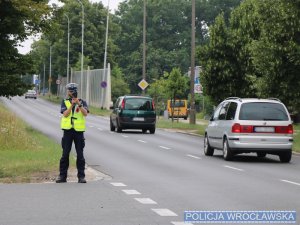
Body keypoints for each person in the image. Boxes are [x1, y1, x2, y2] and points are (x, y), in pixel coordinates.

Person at [56, 83, 89, 183]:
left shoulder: (82, 102)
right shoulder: (65, 102)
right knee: (65, 154)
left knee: (80, 155)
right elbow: (65, 114)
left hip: (78, 132)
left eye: (69, 91)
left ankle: (81, 177)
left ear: (73, 92)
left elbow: (85, 113)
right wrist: (72, 105)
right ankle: (62, 176)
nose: (68, 93)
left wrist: (79, 104)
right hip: (68, 131)